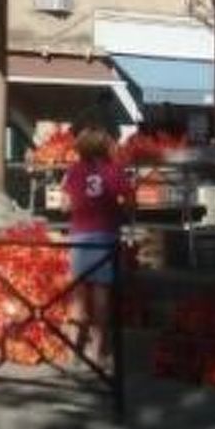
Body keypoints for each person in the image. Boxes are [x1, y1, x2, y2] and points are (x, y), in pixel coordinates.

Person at [61, 127, 129, 365]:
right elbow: (129, 202)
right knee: (102, 296)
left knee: (78, 297)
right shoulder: (115, 171)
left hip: (80, 237)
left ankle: (71, 352)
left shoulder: (74, 171)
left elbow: (64, 206)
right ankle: (98, 351)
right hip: (106, 237)